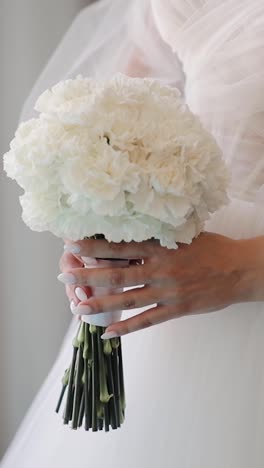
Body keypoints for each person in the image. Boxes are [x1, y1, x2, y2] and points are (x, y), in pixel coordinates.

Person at [2, 0, 264, 467]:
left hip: (217, 285)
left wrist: (246, 270)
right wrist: (98, 224)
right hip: (180, 304)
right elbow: (120, 118)